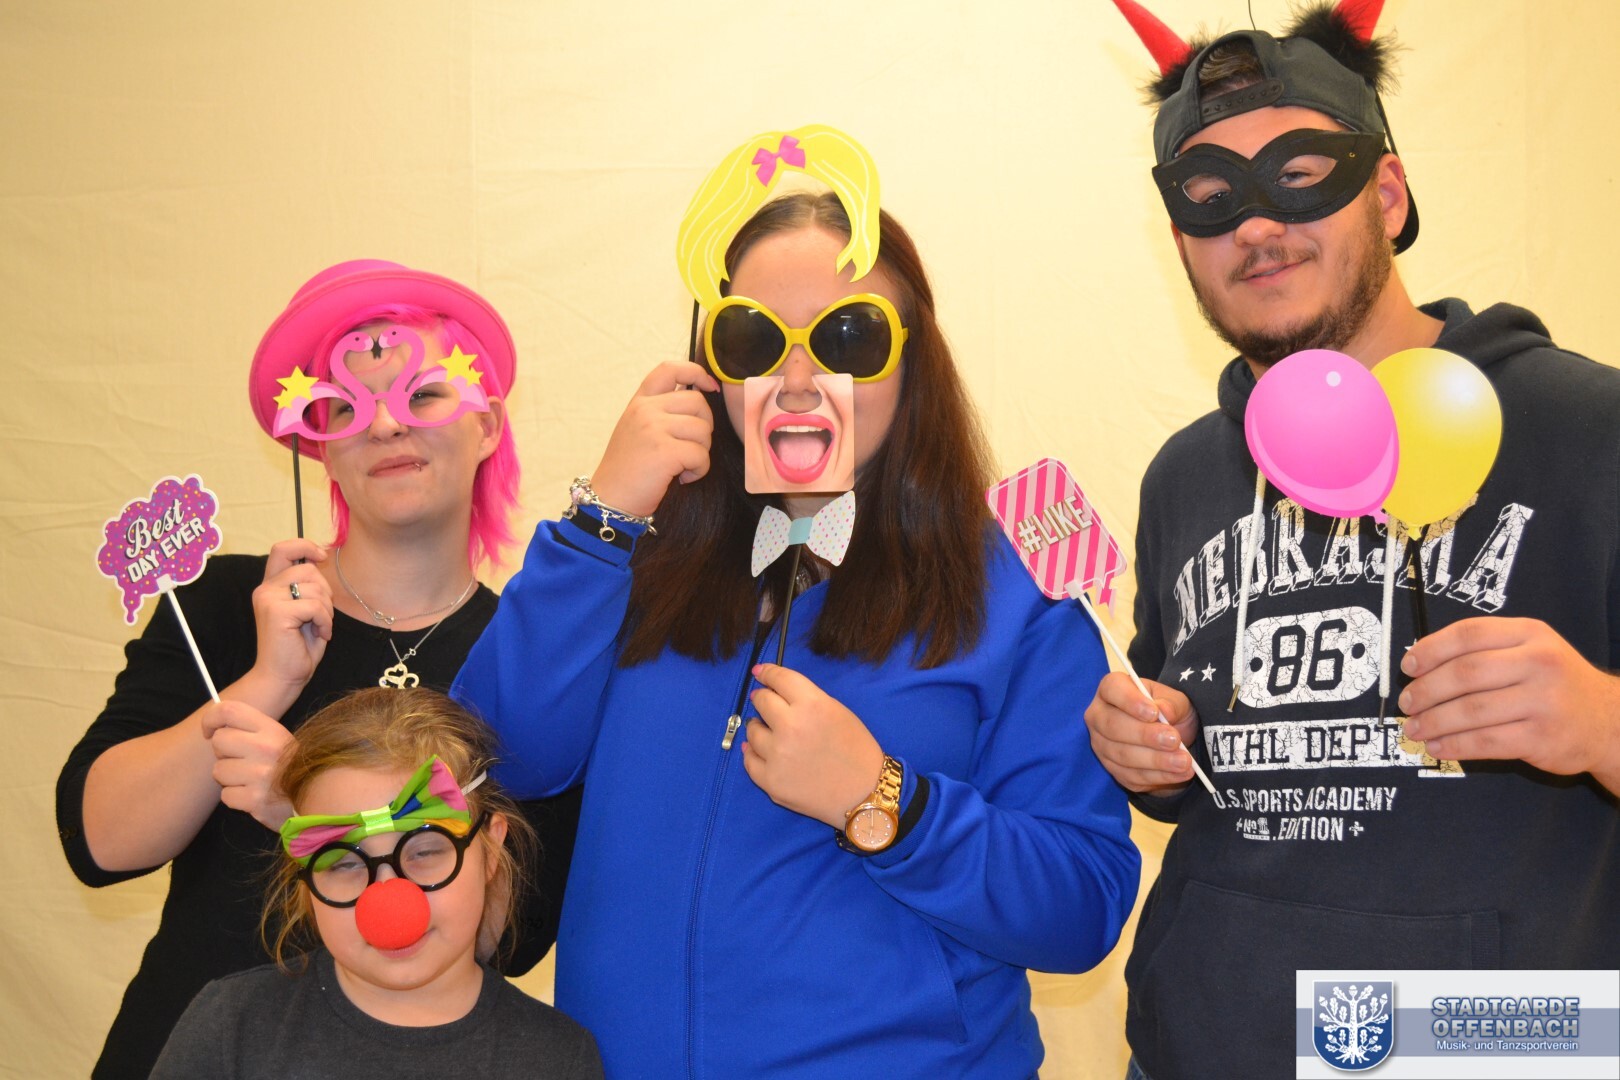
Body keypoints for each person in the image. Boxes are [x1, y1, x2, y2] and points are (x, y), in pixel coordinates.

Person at [452, 188, 1141, 1077]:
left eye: (850, 337)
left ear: (915, 361)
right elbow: (492, 763)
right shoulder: (630, 566)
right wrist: (600, 522)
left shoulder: (1015, 590)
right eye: (754, 341)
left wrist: (882, 802)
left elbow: (1081, 907)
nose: (801, 378)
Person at [1087, 2, 1620, 1077]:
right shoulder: (1186, 475)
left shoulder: (1590, 431)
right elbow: (1200, 745)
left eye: (1298, 173)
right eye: (1208, 198)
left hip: (1483, 1051)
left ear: (1387, 192)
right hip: (1205, 1048)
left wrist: (1602, 721)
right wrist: (1154, 754)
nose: (1255, 226)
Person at [56, 260, 580, 1078]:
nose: (387, 426)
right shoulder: (224, 605)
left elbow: (508, 940)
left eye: (423, 395)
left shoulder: (531, 655)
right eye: (345, 407)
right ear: (317, 446)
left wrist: (307, 813)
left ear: (486, 425)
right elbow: (101, 843)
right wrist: (266, 683)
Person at [150, 687, 603, 1079]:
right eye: (344, 863)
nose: (388, 902)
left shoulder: (558, 1058)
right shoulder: (232, 1025)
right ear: (304, 875)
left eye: (425, 852)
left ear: (491, 849)